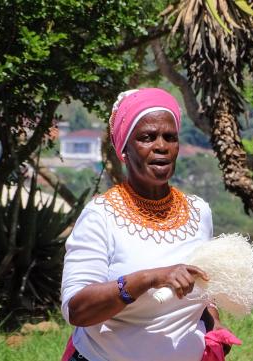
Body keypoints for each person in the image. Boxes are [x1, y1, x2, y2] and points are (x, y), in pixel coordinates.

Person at [60, 88, 227, 361]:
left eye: (169, 137)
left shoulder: (199, 213)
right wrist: (148, 278)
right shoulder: (101, 216)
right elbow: (77, 310)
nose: (161, 146)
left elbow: (201, 287)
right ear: (124, 149)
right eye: (147, 137)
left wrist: (214, 322)